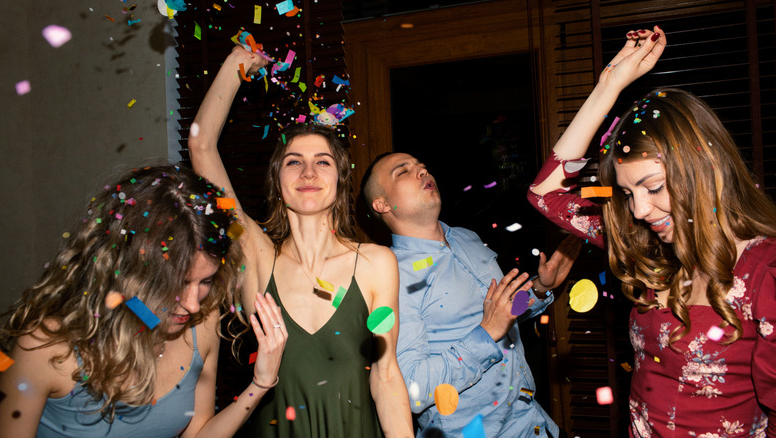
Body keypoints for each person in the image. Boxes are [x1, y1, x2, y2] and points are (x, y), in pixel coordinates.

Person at [529, 26, 776, 435]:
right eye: (627, 193)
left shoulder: (764, 273)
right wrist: (610, 84)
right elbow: (545, 193)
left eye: (654, 187)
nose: (640, 210)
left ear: (706, 171)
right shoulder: (648, 247)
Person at [187, 45, 413, 437]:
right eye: (294, 161)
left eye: (323, 161)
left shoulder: (378, 263)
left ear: (340, 182)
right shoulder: (255, 256)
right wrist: (236, 64)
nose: (308, 171)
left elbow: (387, 374)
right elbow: (201, 145)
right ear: (278, 182)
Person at [0, 165, 287, 438]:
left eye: (206, 281)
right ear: (129, 271)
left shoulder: (203, 323)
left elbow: (198, 433)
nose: (194, 304)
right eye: (177, 283)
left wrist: (260, 384)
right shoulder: (44, 345)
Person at [361, 152, 582, 437]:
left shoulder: (467, 238)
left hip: (534, 423)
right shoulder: (393, 277)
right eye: (403, 171)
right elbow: (412, 390)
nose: (423, 172)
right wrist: (486, 333)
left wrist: (540, 288)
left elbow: (504, 312)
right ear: (381, 204)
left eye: (423, 167)